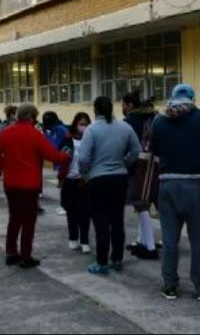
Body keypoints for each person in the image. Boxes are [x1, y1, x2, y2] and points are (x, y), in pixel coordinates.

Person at [151, 84, 200, 301]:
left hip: (166, 185)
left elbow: (154, 149)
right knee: (198, 239)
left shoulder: (160, 121)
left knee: (170, 239)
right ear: (192, 99)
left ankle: (169, 285)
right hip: (193, 184)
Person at [0, 104, 70, 269]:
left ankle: (11, 252)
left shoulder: (7, 132)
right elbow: (52, 155)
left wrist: (4, 166)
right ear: (32, 117)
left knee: (14, 218)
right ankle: (26, 256)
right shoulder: (35, 134)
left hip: (11, 183)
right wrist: (66, 156)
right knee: (28, 221)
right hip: (30, 184)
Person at [78, 97, 141, 276]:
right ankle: (117, 259)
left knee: (101, 223)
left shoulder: (92, 129)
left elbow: (83, 158)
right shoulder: (125, 127)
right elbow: (136, 151)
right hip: (119, 179)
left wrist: (86, 175)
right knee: (117, 221)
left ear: (95, 110)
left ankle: (102, 262)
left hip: (98, 180)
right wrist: (124, 164)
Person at [122, 92, 160, 261]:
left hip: (138, 168)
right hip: (155, 165)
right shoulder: (155, 119)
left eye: (124, 105)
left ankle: (149, 246)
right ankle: (141, 241)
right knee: (145, 206)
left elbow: (127, 147)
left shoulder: (129, 122)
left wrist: (126, 163)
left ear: (130, 105)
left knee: (141, 206)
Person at [59, 112, 93, 254]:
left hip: (84, 181)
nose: (83, 127)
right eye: (81, 124)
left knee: (85, 212)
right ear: (75, 125)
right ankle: (73, 238)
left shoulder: (91, 139)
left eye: (86, 124)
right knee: (71, 211)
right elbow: (59, 154)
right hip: (69, 179)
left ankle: (85, 240)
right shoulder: (68, 139)